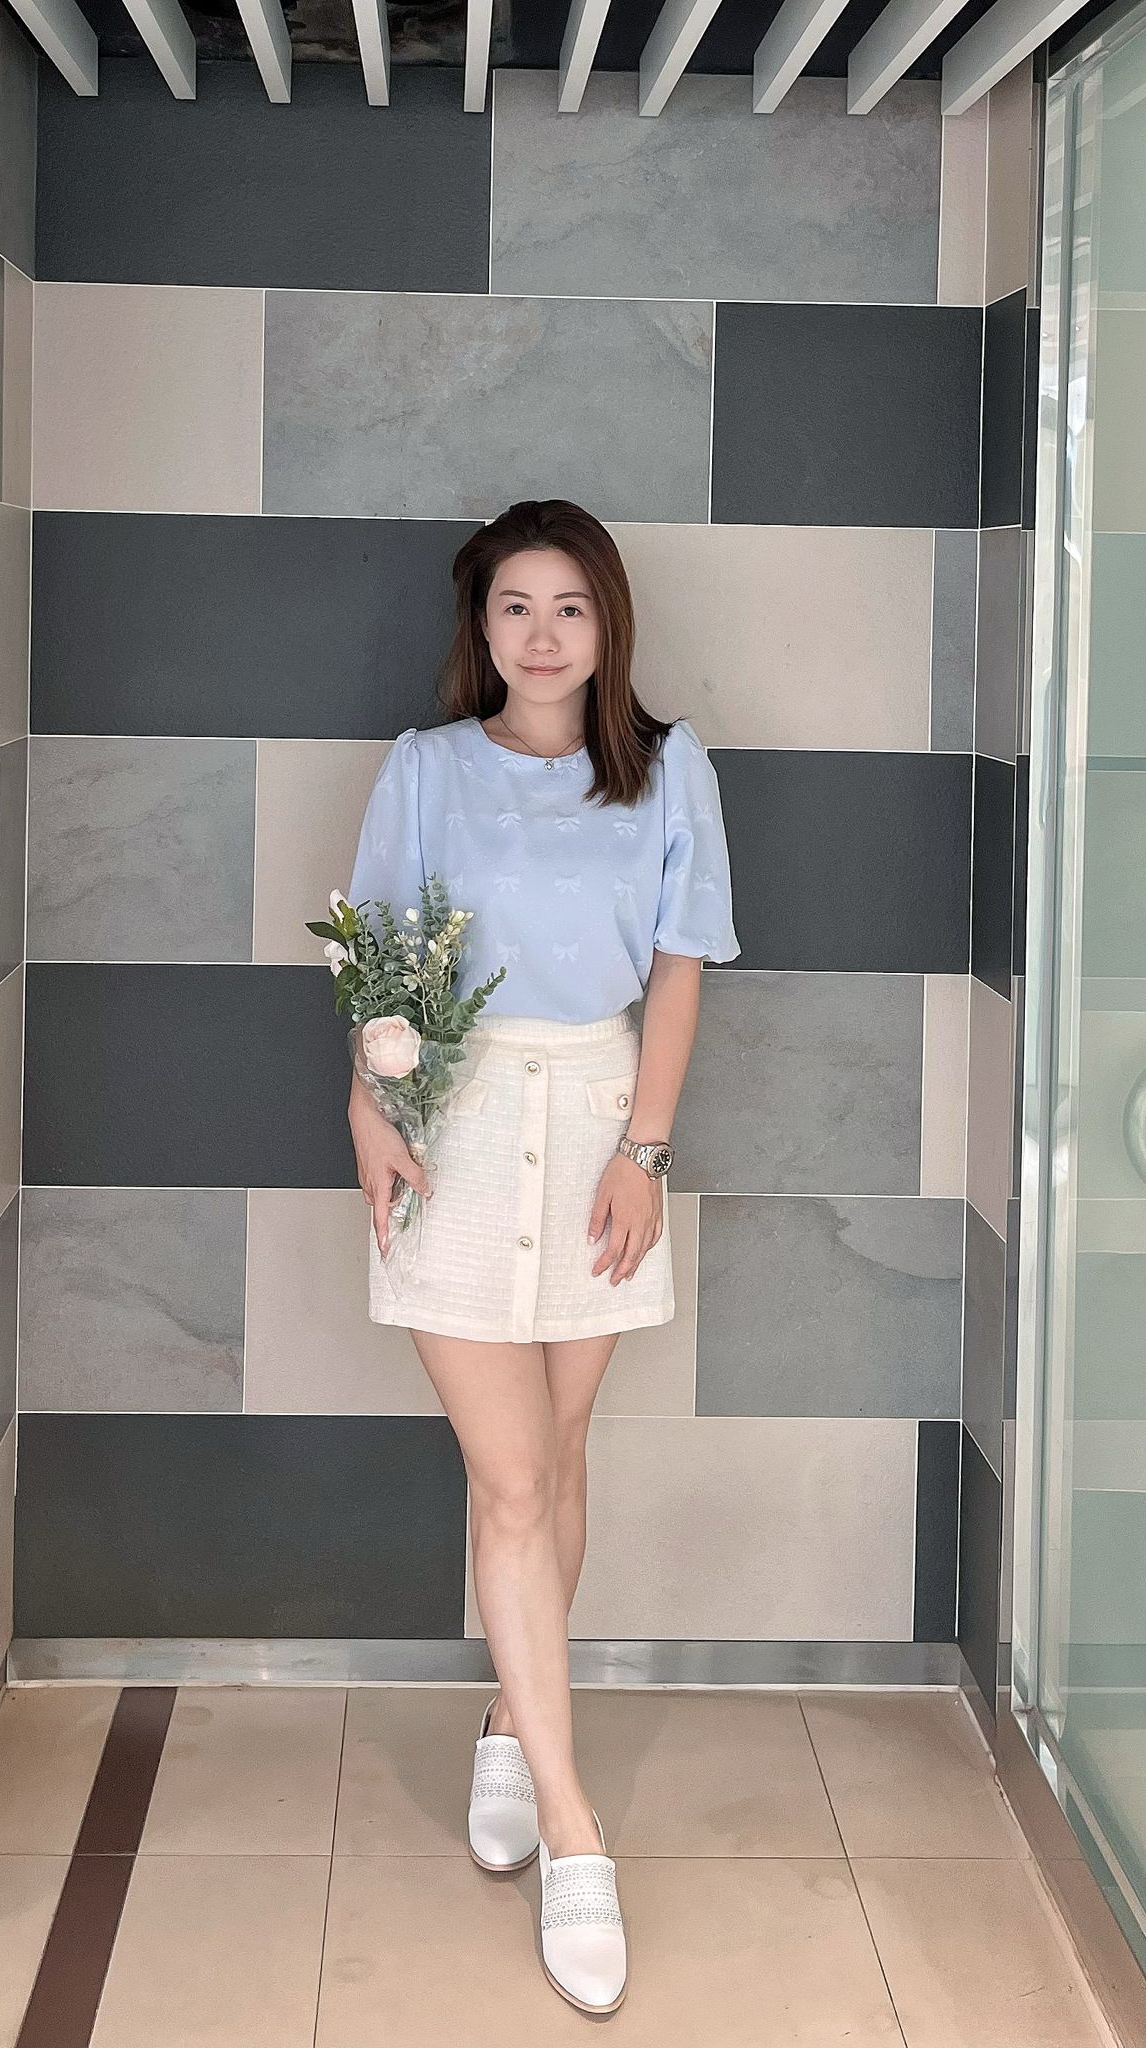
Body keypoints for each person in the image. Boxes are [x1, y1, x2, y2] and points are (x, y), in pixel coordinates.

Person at [343, 499, 738, 2012]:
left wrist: (645, 1151)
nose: (542, 633)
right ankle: (576, 1835)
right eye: (515, 605)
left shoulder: (667, 768)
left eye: (569, 606)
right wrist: (369, 1111)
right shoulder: (423, 767)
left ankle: (513, 1726)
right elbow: (375, 963)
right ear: (481, 624)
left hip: (597, 1122)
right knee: (509, 1477)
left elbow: (679, 970)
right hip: (448, 1113)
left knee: (558, 1459)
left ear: (606, 621)